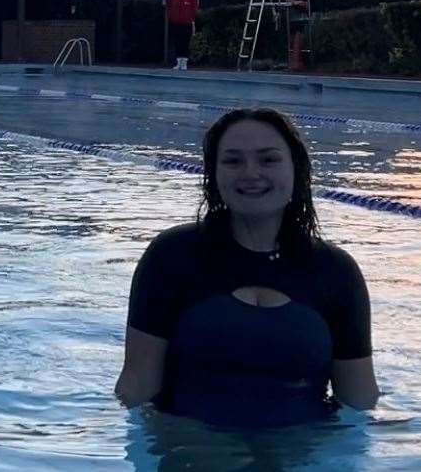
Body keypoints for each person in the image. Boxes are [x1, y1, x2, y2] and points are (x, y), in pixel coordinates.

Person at [114, 109, 379, 428]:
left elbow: (359, 400)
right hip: (192, 451)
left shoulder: (335, 272)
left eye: (268, 160)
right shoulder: (172, 257)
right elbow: (136, 388)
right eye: (232, 161)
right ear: (213, 174)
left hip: (303, 453)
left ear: (297, 170)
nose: (250, 173)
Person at [165, 0, 198, 71]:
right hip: (175, 24)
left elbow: (194, 10)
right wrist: (170, 18)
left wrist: (193, 22)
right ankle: (178, 63)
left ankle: (184, 63)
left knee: (185, 43)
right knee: (177, 43)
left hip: (187, 24)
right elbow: (168, 8)